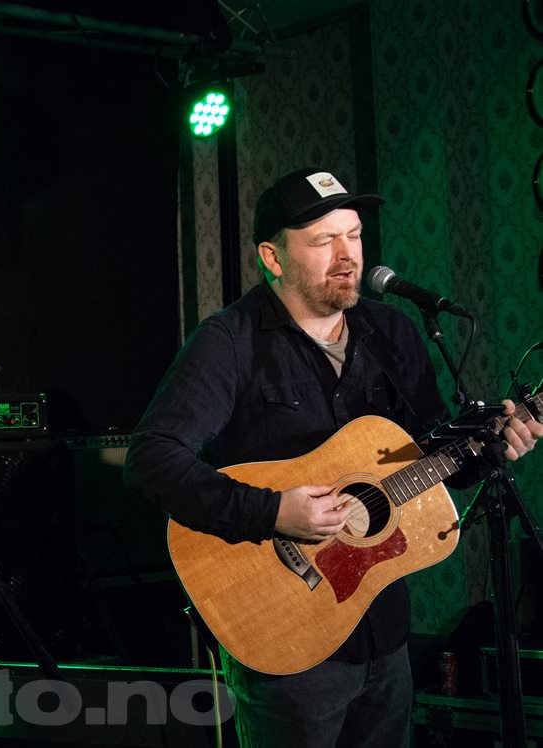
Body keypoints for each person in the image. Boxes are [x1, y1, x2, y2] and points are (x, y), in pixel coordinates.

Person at [122, 167, 542, 747]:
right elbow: (151, 457)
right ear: (272, 257)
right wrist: (271, 512)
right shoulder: (230, 343)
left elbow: (431, 461)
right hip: (286, 637)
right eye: (324, 241)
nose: (347, 256)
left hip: (386, 632)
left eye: (355, 236)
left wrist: (493, 445)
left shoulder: (392, 333)